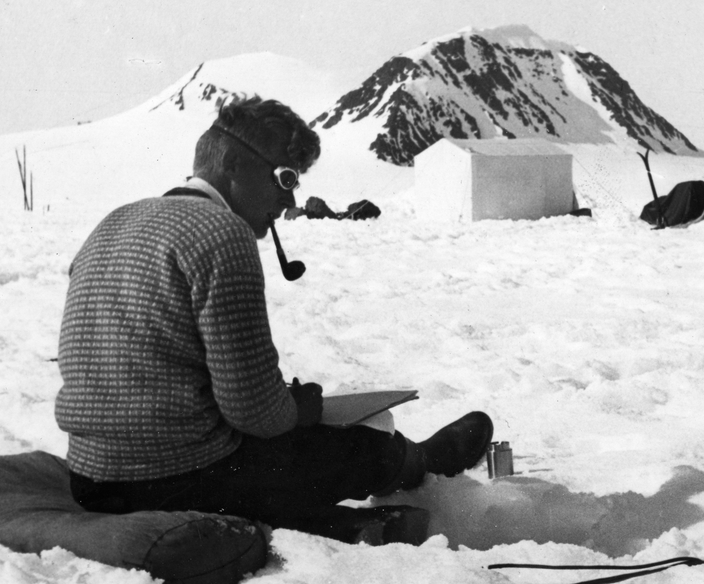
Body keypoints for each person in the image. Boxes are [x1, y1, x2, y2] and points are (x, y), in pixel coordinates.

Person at [55, 95, 492, 544]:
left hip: (92, 480)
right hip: (174, 478)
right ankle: (414, 463)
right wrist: (296, 410)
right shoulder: (222, 233)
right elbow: (256, 413)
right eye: (285, 178)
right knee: (351, 448)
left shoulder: (114, 222)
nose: (289, 200)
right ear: (231, 164)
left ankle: (326, 518)